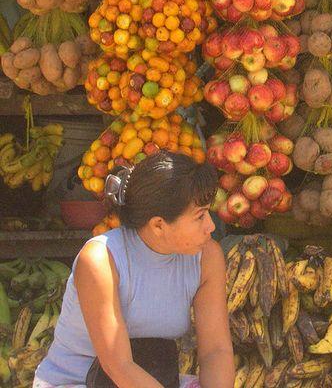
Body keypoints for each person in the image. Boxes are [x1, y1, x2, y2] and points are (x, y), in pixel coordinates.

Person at [34, 151, 235, 388]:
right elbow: (119, 366)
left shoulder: (207, 257)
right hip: (78, 382)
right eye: (200, 216)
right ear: (158, 225)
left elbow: (216, 351)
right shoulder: (100, 260)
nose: (211, 226)